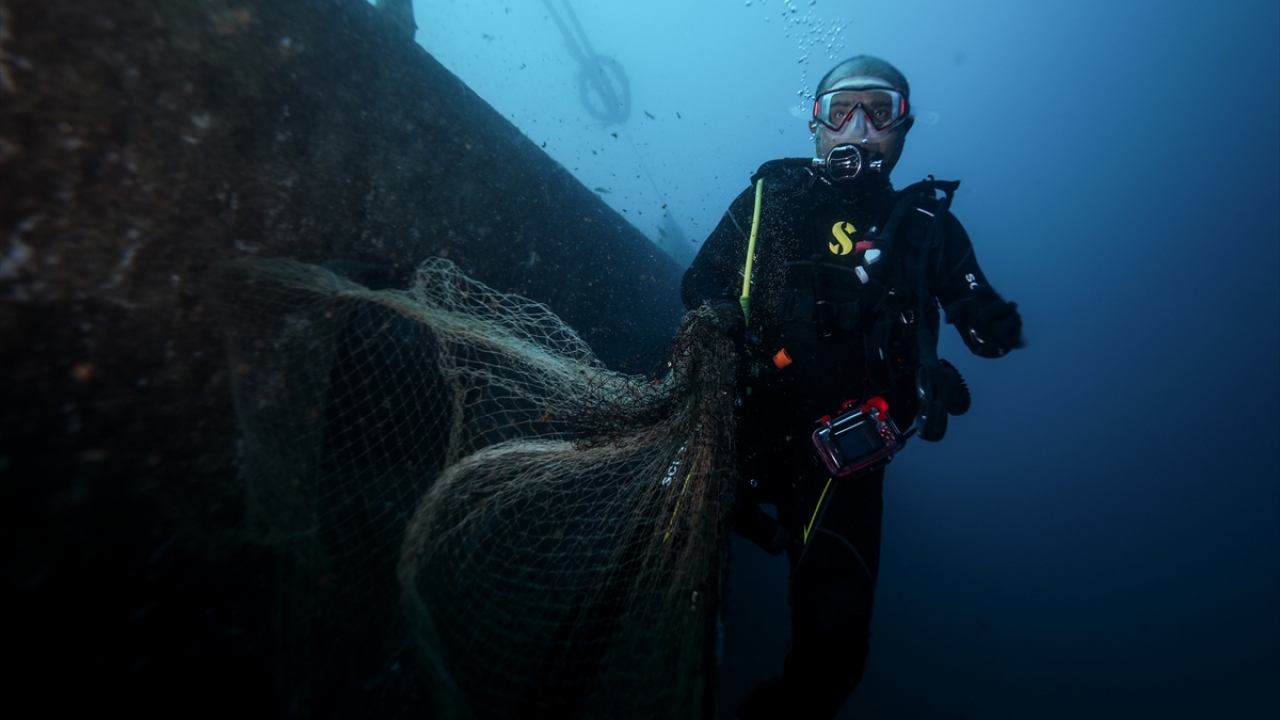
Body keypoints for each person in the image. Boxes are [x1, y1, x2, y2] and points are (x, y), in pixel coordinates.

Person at [680, 55, 1024, 719]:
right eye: (841, 110)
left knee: (834, 656)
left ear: (904, 130)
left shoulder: (929, 228)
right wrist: (721, 318)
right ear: (814, 124)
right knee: (635, 570)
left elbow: (982, 323)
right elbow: (700, 283)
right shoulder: (770, 199)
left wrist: (986, 324)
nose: (859, 128)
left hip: (843, 467)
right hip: (737, 426)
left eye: (880, 111)